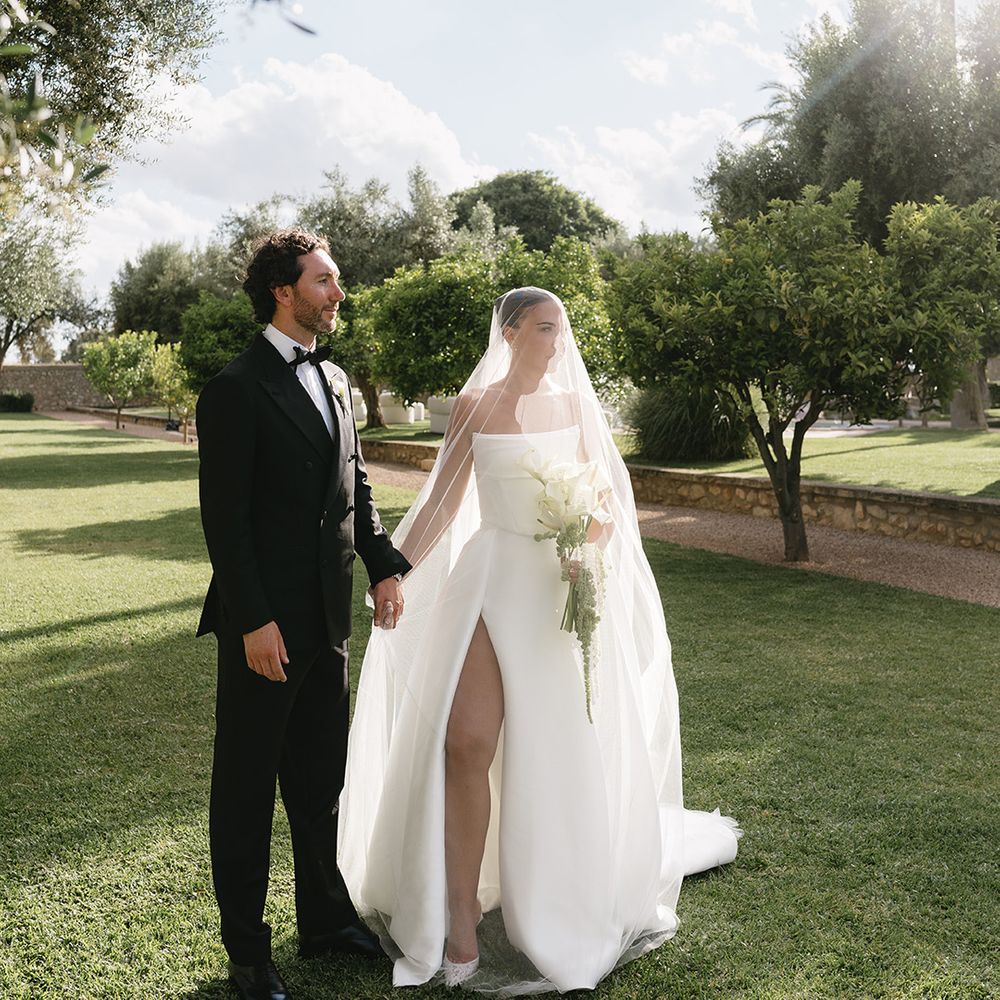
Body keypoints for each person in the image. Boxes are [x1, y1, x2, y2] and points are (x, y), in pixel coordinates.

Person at [339, 287, 741, 995]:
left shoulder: (578, 408)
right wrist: (393, 570)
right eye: (546, 328)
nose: (559, 340)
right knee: (465, 741)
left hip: (558, 589)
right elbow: (442, 500)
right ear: (512, 332)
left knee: (552, 753)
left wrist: (586, 544)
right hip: (491, 583)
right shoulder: (474, 407)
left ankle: (552, 900)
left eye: (561, 328)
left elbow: (608, 499)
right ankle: (459, 910)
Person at [195, 228, 411, 1000]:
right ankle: (249, 956)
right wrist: (253, 621)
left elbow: (356, 488)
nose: (338, 292)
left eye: (336, 280)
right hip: (267, 630)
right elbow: (227, 522)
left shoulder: (338, 379)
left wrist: (384, 568)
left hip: (330, 621)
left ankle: (324, 921)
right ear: (283, 291)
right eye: (325, 280)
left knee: (322, 785)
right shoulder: (234, 388)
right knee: (248, 791)